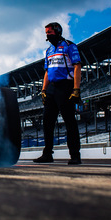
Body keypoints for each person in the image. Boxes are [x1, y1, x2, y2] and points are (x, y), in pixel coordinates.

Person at [34, 22, 82, 165]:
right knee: (47, 122)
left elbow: (77, 66)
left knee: (69, 122)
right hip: (52, 88)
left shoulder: (69, 46)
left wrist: (76, 89)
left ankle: (75, 155)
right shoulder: (49, 50)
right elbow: (47, 72)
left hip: (65, 86)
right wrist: (43, 90)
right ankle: (47, 154)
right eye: (46, 32)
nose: (47, 34)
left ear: (58, 31)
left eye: (50, 32)